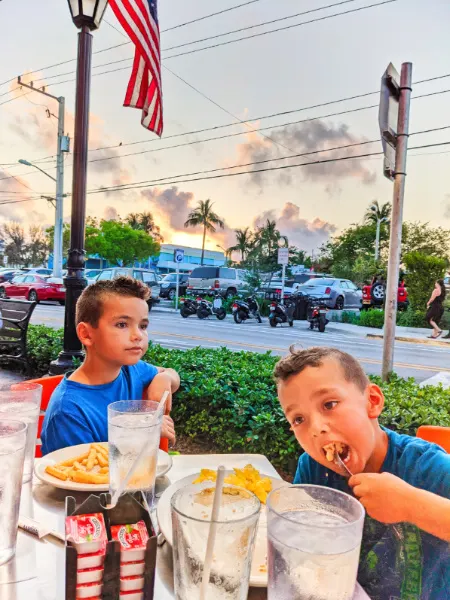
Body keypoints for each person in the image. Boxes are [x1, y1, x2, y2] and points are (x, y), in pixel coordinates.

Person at [274, 346, 450, 600]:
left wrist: (411, 504)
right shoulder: (312, 469)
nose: (317, 429)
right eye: (299, 419)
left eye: (329, 404)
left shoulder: (427, 467)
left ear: (372, 401)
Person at [41, 277, 180, 455]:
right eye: (122, 324)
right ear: (86, 334)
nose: (138, 335)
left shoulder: (132, 370)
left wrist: (165, 377)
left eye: (143, 326)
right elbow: (80, 476)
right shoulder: (68, 411)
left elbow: (172, 375)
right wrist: (145, 431)